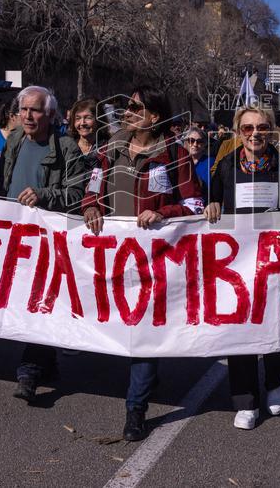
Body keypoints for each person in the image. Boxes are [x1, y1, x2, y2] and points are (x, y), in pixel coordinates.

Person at [82, 85, 204, 442]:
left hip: (156, 259)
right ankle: (145, 378)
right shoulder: (109, 149)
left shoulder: (175, 154)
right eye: (126, 105)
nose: (128, 111)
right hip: (113, 257)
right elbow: (93, 188)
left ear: (154, 116)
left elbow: (195, 205)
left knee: (143, 333)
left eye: (136, 106)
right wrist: (91, 205)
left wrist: (163, 211)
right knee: (118, 325)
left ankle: (135, 409)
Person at [204, 102, 280, 431]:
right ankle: (245, 401)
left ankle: (276, 380)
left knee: (275, 323)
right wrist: (212, 203)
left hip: (274, 259)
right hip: (236, 262)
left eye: (261, 128)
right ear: (239, 132)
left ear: (270, 131)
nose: (255, 134)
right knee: (240, 328)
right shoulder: (226, 165)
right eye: (248, 128)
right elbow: (210, 197)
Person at [1, 86, 83, 404]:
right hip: (12, 236)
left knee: (39, 302)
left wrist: (44, 195)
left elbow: (77, 197)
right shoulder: (14, 141)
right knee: (24, 301)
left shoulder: (66, 149)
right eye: (23, 110)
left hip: (46, 240)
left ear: (50, 114)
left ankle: (29, 370)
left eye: (35, 110)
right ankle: (46, 363)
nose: (28, 116)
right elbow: (3, 184)